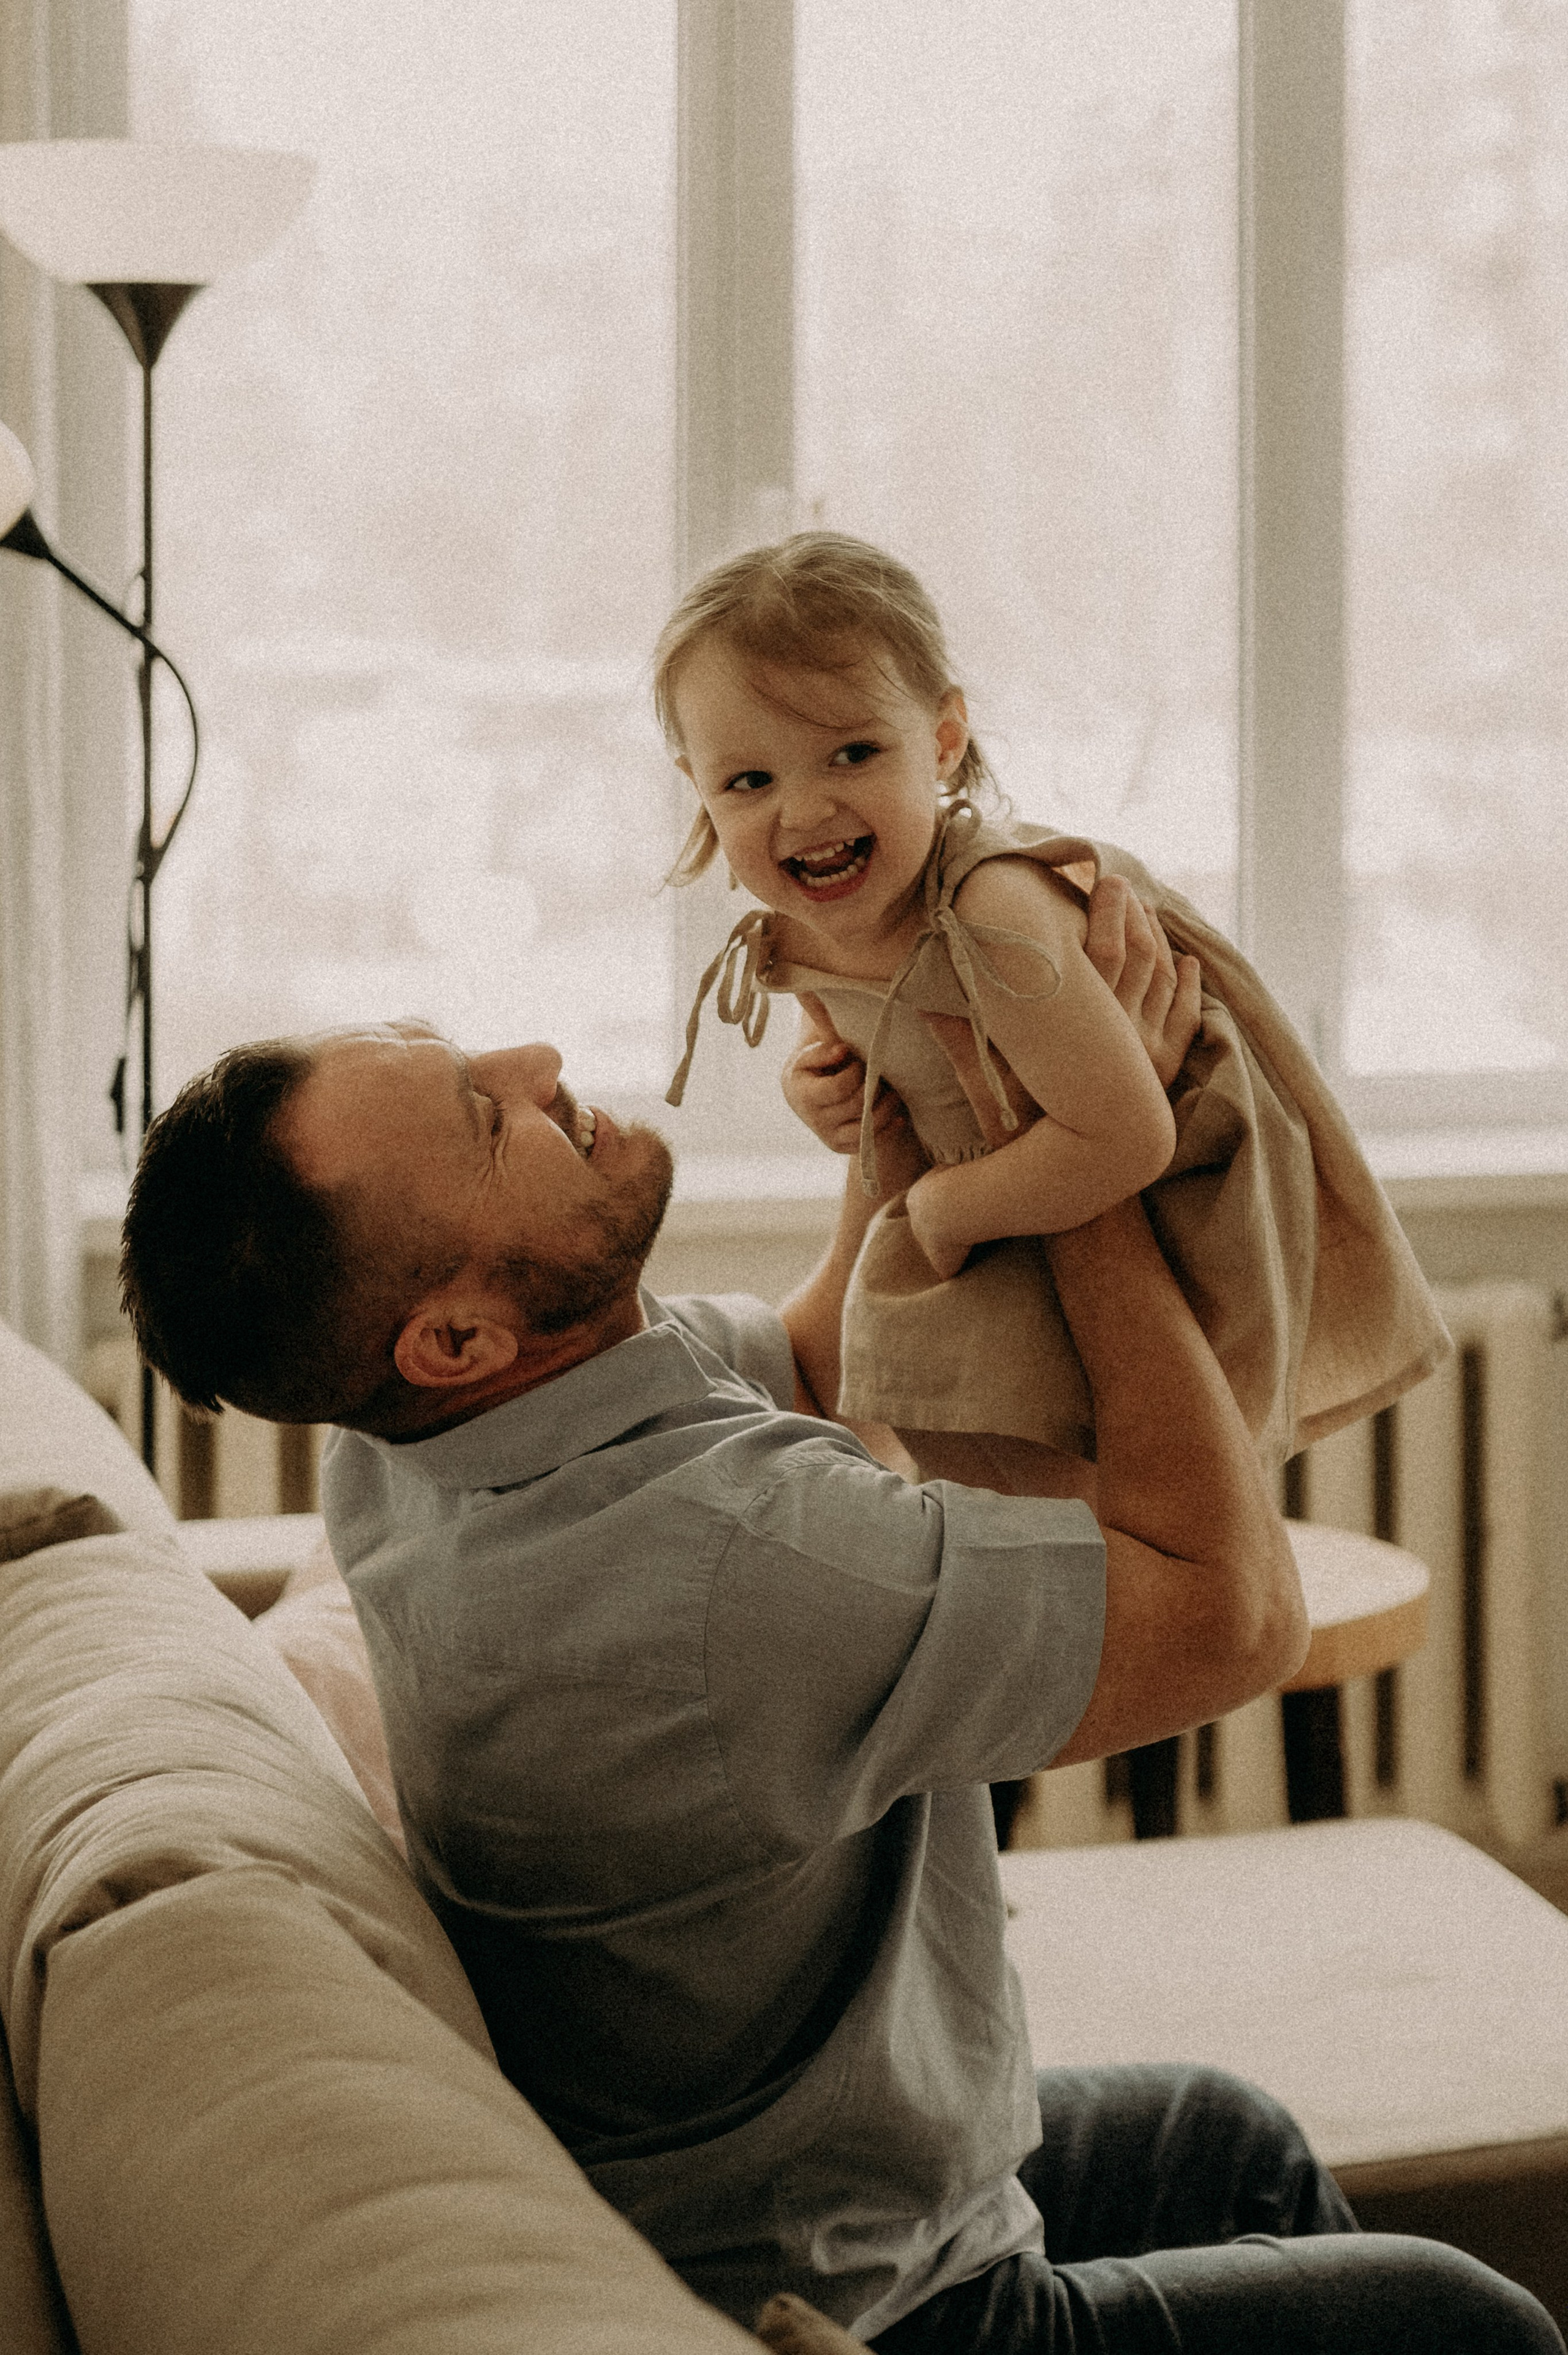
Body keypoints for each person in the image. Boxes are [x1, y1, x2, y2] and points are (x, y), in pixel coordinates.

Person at [117, 921, 1559, 2351]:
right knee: (1466, 2320)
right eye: (485, 1119)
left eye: (465, 1051)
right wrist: (1078, 1165)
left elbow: (820, 1364)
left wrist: (899, 1101)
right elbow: (1234, 1617)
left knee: (1220, 2133)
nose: (536, 1060)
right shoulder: (725, 1570)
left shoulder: (420, 1449)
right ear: (458, 1337)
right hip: (849, 2299)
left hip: (730, 2193)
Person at [659, 531, 1450, 1506]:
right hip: (1028, 1181)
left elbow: (1129, 1132)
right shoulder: (807, 928)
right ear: (697, 782)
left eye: (854, 753)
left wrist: (950, 1208)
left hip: (1164, 1189)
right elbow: (888, 1057)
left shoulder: (990, 912)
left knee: (1120, 1501)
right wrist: (823, 1089)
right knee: (977, 1465)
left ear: (943, 739)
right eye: (750, 781)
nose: (806, 810)